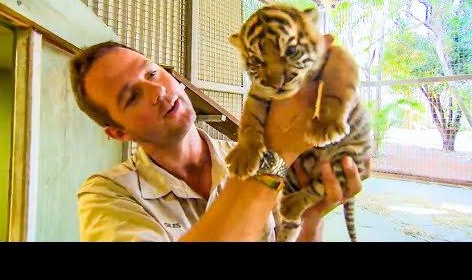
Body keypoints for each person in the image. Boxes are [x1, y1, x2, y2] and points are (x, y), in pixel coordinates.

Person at [69, 39, 367, 242]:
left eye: (152, 72)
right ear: (118, 133)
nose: (156, 91)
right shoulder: (107, 195)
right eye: (132, 96)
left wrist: (310, 218)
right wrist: (273, 153)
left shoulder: (240, 156)